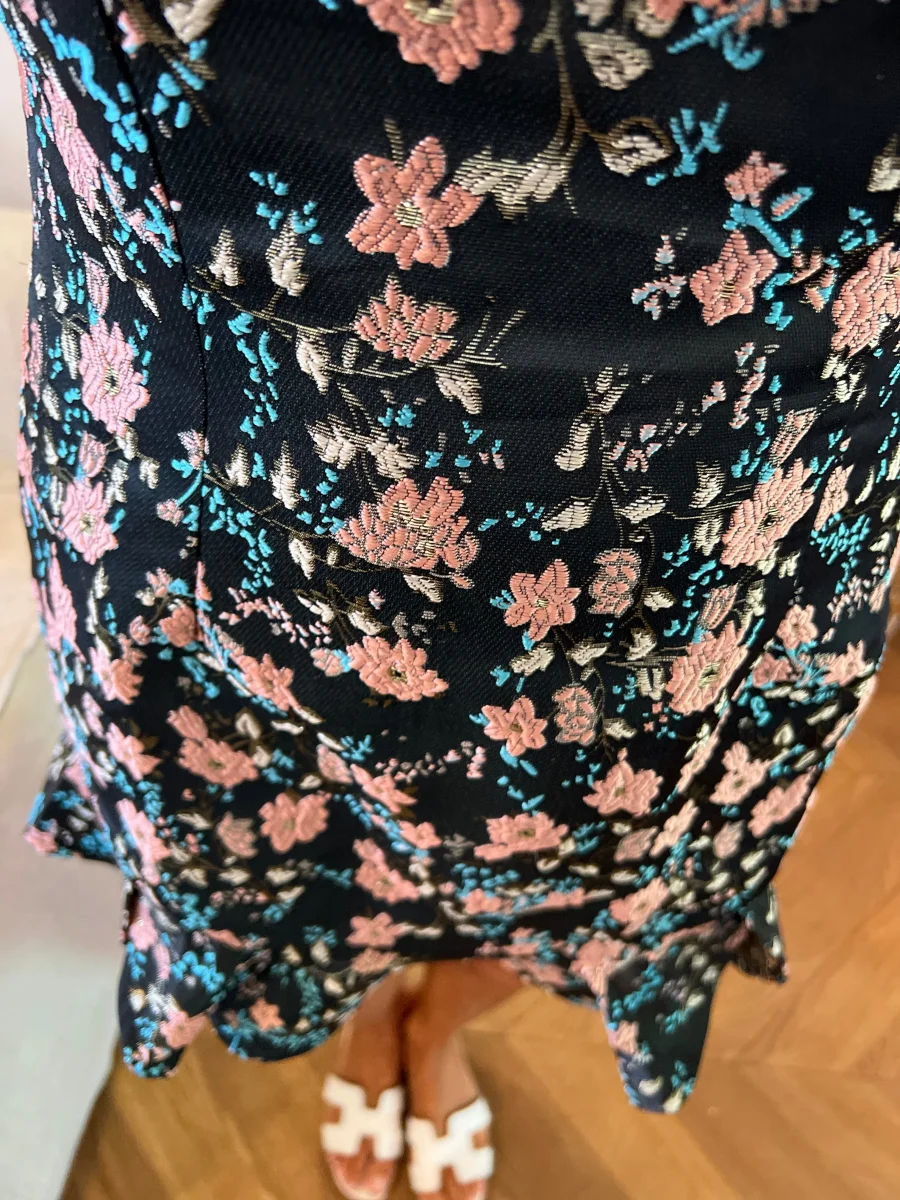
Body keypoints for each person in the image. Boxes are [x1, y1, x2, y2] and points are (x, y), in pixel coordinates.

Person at [5, 0, 900, 1196]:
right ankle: (376, 1013)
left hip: (743, 467)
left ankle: (438, 1026)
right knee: (307, 850)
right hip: (225, 440)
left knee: (592, 868)